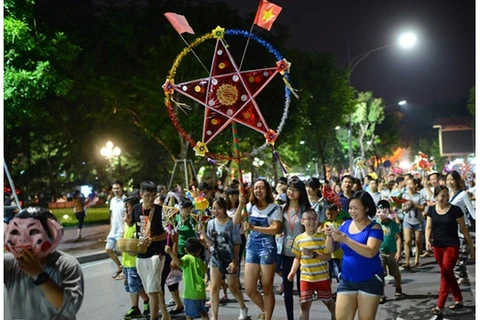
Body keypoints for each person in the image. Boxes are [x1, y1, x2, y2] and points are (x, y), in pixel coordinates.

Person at [4, 207, 84, 319]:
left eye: (34, 231)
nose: (23, 240)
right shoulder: (8, 264)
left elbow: (69, 308)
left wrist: (39, 275)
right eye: (15, 232)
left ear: (53, 233)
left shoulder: (66, 264)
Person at [325, 191, 384, 320]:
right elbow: (330, 249)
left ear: (367, 208)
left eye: (356, 208)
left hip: (370, 280)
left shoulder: (375, 228)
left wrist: (346, 240)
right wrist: (330, 236)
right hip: (347, 280)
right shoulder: (345, 225)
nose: (352, 211)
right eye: (350, 208)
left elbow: (370, 251)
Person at [234, 179, 282, 320]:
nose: (258, 191)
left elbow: (275, 229)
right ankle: (264, 310)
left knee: (267, 288)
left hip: (267, 248)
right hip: (251, 248)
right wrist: (241, 204)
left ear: (267, 190)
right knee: (249, 288)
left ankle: (268, 317)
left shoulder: (274, 208)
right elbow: (236, 221)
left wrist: (254, 228)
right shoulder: (249, 207)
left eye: (261, 188)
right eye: (256, 188)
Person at [425, 186, 475, 316]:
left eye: (447, 195)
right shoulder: (431, 210)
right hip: (437, 246)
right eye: (442, 195)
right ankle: (458, 299)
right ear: (436, 196)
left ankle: (439, 305)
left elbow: (464, 230)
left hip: (452, 246)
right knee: (448, 273)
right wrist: (427, 241)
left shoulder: (455, 210)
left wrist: (472, 247)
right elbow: (428, 227)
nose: (446, 198)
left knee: (445, 274)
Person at [199, 197, 248, 320]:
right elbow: (210, 243)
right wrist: (203, 234)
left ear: (224, 208)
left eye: (219, 208)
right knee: (214, 287)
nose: (216, 211)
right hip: (215, 258)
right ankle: (214, 317)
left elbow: (237, 244)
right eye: (214, 208)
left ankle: (243, 307)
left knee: (233, 287)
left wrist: (234, 261)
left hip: (229, 259)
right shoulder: (211, 223)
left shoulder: (232, 223)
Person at [130, 181, 170, 320]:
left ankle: (154, 318)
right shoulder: (135, 209)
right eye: (147, 195)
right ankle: (165, 314)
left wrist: (153, 239)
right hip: (141, 254)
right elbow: (135, 230)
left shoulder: (160, 210)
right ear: (141, 194)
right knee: (152, 288)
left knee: (152, 288)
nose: (150, 199)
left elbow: (168, 234)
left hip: (157, 253)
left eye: (153, 195)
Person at [288, 209, 335, 320]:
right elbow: (297, 257)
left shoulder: (322, 237)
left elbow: (328, 256)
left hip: (322, 277)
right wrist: (293, 271)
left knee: (328, 301)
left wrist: (314, 255)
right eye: (308, 218)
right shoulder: (298, 239)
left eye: (314, 218)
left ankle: (336, 315)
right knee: (304, 304)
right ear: (302, 221)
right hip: (305, 278)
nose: (312, 221)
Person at [280, 178, 309, 320]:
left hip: (303, 254)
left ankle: (303, 317)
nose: (291, 192)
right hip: (286, 253)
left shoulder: (306, 210)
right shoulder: (282, 208)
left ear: (301, 192)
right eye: (289, 189)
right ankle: (290, 317)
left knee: (303, 290)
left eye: (295, 189)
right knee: (287, 288)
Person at [119, 196, 151, 319]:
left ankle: (147, 299)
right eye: (124, 207)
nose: (125, 210)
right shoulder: (126, 223)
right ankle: (135, 307)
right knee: (129, 286)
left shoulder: (137, 224)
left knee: (135, 285)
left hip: (133, 261)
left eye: (127, 207)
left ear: (134, 208)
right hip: (126, 261)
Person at [165, 238, 209, 320]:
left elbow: (178, 263)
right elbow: (206, 273)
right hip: (201, 293)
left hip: (190, 294)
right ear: (199, 250)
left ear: (185, 250)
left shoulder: (187, 258)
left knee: (188, 315)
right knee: (203, 312)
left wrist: (170, 252)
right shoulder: (200, 262)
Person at [445, 170, 476, 285]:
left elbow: (472, 213)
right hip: (449, 228)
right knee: (452, 256)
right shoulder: (445, 194)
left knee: (462, 255)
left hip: (462, 227)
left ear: (457, 180)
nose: (450, 182)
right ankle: (461, 277)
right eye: (448, 179)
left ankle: (461, 277)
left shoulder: (463, 194)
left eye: (452, 179)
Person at [376, 200, 403, 304]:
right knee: (381, 274)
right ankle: (382, 294)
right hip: (380, 252)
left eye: (383, 211)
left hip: (392, 251)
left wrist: (398, 251)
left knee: (395, 272)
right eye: (379, 211)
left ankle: (398, 287)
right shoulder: (375, 224)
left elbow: (398, 238)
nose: (381, 214)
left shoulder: (392, 224)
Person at [401, 178, 426, 268]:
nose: (409, 186)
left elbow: (422, 208)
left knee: (418, 241)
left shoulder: (420, 195)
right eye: (408, 184)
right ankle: (407, 261)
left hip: (418, 220)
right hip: (407, 220)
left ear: (415, 185)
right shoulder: (404, 195)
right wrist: (407, 206)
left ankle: (417, 260)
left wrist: (414, 204)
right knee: (407, 241)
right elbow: (402, 208)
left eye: (411, 184)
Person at [107, 180, 126, 280]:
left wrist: (124, 231)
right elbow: (112, 215)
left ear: (122, 188)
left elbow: (127, 217)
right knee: (108, 249)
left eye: (117, 188)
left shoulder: (125, 200)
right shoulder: (112, 200)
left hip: (121, 230)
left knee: (122, 251)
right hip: (113, 230)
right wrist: (111, 229)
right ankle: (119, 266)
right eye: (114, 188)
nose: (115, 190)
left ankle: (125, 271)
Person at [321, 204, 344, 284]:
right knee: (327, 275)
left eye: (332, 213)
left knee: (337, 272)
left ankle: (341, 287)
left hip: (338, 254)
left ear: (337, 212)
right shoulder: (325, 223)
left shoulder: (341, 222)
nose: (330, 216)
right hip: (328, 254)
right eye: (328, 214)